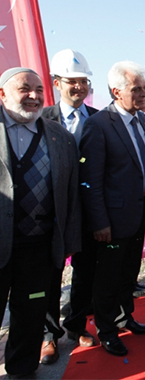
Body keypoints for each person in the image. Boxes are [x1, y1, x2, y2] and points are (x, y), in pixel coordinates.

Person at [0, 68, 80, 378]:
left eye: (38, 89)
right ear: (2, 94)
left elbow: (71, 194)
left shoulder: (61, 138)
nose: (33, 96)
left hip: (39, 245)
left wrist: (68, 240)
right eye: (24, 88)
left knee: (31, 310)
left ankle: (22, 369)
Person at [79, 61, 145, 356]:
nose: (143, 94)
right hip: (112, 220)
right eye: (136, 89)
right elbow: (90, 180)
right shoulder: (99, 125)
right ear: (116, 91)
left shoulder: (141, 120)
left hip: (137, 213)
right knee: (108, 278)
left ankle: (125, 318)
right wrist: (100, 222)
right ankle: (107, 330)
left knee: (128, 273)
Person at [39, 50, 98, 363]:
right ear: (57, 83)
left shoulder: (100, 119)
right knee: (51, 272)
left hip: (88, 208)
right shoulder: (42, 118)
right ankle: (49, 335)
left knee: (85, 270)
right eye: (72, 81)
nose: (79, 87)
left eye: (83, 81)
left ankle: (76, 324)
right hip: (52, 210)